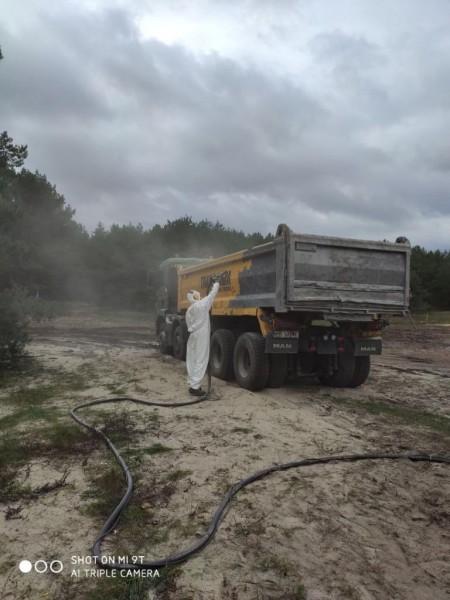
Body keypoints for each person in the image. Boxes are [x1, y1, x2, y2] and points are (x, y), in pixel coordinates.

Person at [185, 280, 220, 396]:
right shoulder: (202, 305)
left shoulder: (189, 310)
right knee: (201, 359)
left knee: (192, 360)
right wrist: (216, 284)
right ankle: (195, 387)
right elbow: (212, 295)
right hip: (201, 336)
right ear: (196, 296)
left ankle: (192, 383)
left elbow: (188, 324)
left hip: (192, 336)